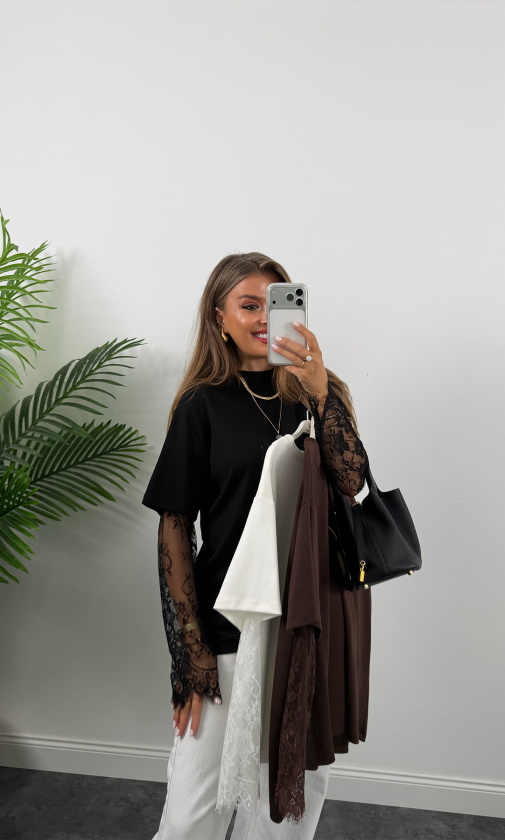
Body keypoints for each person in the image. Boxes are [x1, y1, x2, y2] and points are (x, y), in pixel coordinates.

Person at [142, 252, 370, 840]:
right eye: (249, 305)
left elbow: (352, 482)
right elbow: (174, 526)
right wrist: (190, 652)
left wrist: (322, 394)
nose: (265, 317)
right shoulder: (201, 405)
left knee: (289, 811)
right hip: (229, 624)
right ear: (219, 317)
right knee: (192, 813)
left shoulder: (321, 392)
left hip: (308, 623)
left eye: (275, 303)